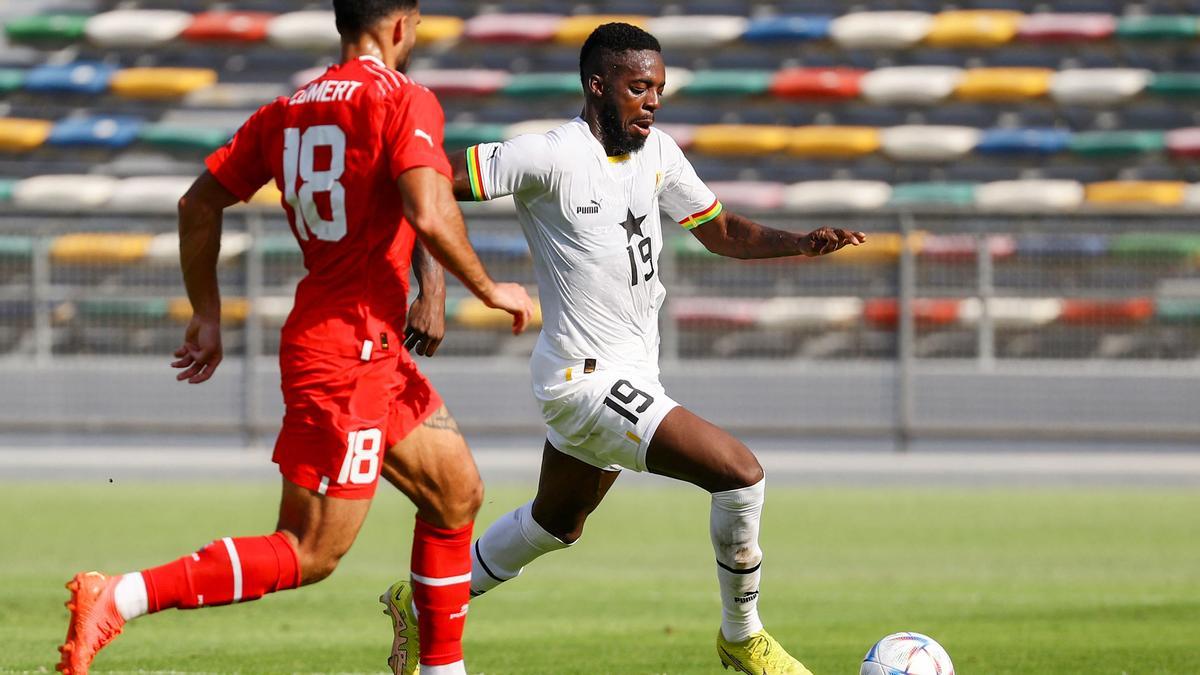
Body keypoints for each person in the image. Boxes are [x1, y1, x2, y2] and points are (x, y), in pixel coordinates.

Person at [55, 3, 535, 675]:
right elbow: (427, 208)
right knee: (310, 550)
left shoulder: (290, 109)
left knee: (455, 490)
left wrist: (207, 312)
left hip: (364, 345)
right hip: (349, 353)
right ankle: (120, 594)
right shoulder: (406, 99)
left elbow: (197, 204)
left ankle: (442, 669)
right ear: (401, 25)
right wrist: (491, 288)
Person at [447, 23, 865, 675]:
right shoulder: (548, 155)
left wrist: (800, 242)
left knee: (556, 523)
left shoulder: (658, 152)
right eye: (639, 87)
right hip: (582, 381)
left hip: (631, 375)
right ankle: (742, 633)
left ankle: (425, 605)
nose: (653, 101)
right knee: (739, 473)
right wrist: (438, 283)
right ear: (597, 86)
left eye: (659, 89)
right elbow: (426, 186)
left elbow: (721, 229)